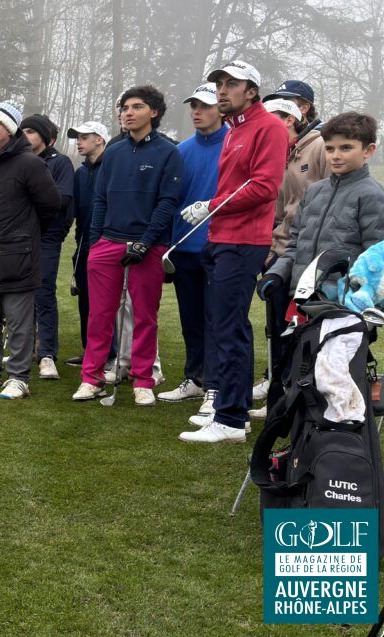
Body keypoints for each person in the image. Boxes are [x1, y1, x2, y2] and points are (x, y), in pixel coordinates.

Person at [178, 60, 291, 444]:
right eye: (219, 84)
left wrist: (210, 205)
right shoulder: (234, 129)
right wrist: (214, 211)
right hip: (222, 237)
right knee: (227, 325)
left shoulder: (269, 128)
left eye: (231, 84)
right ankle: (235, 410)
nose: (222, 90)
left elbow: (263, 187)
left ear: (252, 91)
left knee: (229, 328)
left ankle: (228, 418)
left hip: (244, 241)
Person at [71, 85, 183, 406]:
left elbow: (167, 203)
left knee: (145, 317)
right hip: (108, 244)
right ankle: (91, 378)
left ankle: (143, 379)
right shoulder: (114, 153)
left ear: (154, 112)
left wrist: (146, 243)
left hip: (148, 246)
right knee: (99, 316)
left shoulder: (168, 152)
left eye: (136, 107)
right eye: (124, 108)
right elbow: (100, 200)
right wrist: (95, 245)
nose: (128, 113)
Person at [262, 112, 384, 380]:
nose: (336, 155)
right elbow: (296, 244)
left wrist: (365, 310)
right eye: (330, 148)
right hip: (304, 303)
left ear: (368, 150)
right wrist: (277, 273)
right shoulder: (314, 192)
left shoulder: (374, 197)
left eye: (346, 148)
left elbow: (383, 266)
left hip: (346, 311)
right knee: (301, 377)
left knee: (335, 384)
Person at [0, 100, 63, 400]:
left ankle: (18, 376)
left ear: (10, 129)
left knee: (19, 322)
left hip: (17, 257)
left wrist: (22, 236)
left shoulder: (30, 164)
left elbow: (51, 206)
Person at [253, 81, 330, 416]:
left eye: (286, 109)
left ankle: (291, 389)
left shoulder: (321, 146)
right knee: (277, 324)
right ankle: (276, 381)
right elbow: (280, 207)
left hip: (307, 254)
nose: (278, 118)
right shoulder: (286, 150)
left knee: (297, 325)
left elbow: (327, 200)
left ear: (302, 109)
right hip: (280, 250)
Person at [158, 83, 228, 408]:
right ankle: (195, 378)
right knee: (191, 320)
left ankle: (216, 385)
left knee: (218, 319)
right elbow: (172, 202)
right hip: (184, 249)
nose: (197, 112)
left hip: (220, 248)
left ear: (221, 109)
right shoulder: (181, 150)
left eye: (205, 106)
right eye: (194, 106)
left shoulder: (234, 145)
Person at [19, 114, 75, 379]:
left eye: (31, 131)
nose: (25, 135)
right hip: (19, 238)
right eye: (23, 131)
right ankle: (24, 350)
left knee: (43, 295)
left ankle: (47, 354)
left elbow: (63, 200)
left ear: (44, 136)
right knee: (20, 296)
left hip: (46, 238)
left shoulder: (60, 162)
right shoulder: (18, 161)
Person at [64, 121, 110, 368]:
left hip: (108, 242)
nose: (79, 142)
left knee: (107, 303)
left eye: (84, 137)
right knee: (86, 300)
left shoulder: (113, 167)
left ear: (99, 139)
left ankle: (111, 353)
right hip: (83, 244)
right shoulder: (80, 173)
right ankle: (90, 350)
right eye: (78, 137)